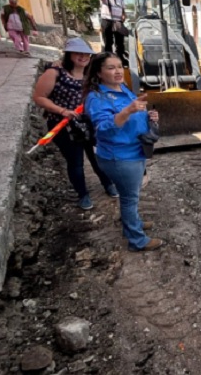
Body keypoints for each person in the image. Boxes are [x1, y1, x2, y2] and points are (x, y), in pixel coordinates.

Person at [84, 52, 164, 252]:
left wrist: (148, 116)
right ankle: (137, 240)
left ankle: (133, 222)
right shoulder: (97, 98)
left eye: (119, 66)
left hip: (134, 151)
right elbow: (102, 129)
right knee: (129, 198)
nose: (118, 71)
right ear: (99, 73)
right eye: (111, 68)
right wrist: (128, 111)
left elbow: (135, 113)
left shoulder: (123, 89)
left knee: (131, 194)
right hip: (120, 157)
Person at [33, 38, 117, 210]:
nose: (83, 56)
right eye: (78, 53)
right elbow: (39, 97)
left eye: (86, 53)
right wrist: (63, 111)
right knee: (76, 162)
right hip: (64, 125)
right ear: (69, 54)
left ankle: (108, 184)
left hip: (90, 124)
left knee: (98, 157)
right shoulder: (55, 72)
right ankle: (83, 194)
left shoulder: (91, 74)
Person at [97, 0, 127, 66]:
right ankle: (107, 60)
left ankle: (120, 58)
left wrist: (123, 15)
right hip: (107, 21)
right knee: (108, 42)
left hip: (118, 22)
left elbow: (123, 11)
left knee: (120, 42)